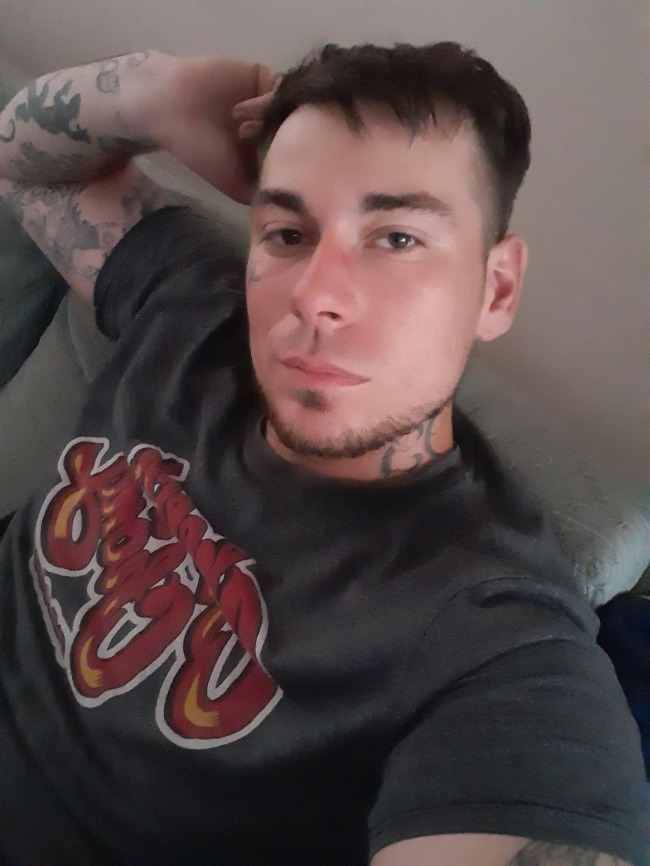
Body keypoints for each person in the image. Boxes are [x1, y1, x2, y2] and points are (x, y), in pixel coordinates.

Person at [0, 41, 646, 866]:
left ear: (497, 288)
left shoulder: (492, 642)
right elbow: (28, 169)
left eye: (397, 237)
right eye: (289, 232)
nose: (314, 296)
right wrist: (159, 92)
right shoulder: (191, 306)